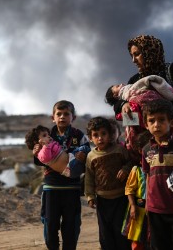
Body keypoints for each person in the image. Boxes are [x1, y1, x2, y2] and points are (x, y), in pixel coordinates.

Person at [116, 35, 173, 142]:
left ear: (150, 52)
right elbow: (122, 110)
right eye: (131, 55)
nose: (133, 60)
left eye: (137, 54)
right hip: (146, 145)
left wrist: (157, 111)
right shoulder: (134, 80)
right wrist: (124, 105)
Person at [32, 100, 90, 250]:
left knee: (71, 226)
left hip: (72, 188)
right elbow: (39, 160)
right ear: (53, 117)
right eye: (59, 114)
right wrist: (36, 152)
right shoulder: (47, 134)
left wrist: (83, 156)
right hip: (51, 188)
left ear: (73, 117)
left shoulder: (79, 135)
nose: (62, 117)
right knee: (50, 224)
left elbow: (89, 154)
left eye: (66, 114)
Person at [141, 99, 173, 250]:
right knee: (158, 245)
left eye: (161, 120)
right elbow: (147, 177)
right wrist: (147, 202)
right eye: (152, 121)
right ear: (146, 125)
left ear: (171, 122)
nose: (156, 124)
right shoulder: (146, 150)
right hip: (155, 209)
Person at [84, 116, 132, 250]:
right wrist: (90, 196)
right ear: (90, 138)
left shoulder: (119, 150)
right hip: (102, 201)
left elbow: (130, 163)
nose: (100, 138)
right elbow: (89, 177)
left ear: (110, 134)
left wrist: (125, 169)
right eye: (95, 135)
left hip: (121, 199)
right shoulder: (91, 156)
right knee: (105, 234)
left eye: (103, 134)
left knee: (121, 231)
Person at [25, 125, 90, 178]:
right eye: (44, 135)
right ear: (36, 142)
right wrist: (45, 146)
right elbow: (46, 157)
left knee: (83, 148)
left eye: (48, 134)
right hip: (70, 168)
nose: (48, 136)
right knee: (85, 152)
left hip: (71, 159)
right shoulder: (41, 154)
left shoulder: (76, 133)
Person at [122, 160, 148, 250]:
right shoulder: (137, 170)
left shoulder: (157, 169)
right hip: (138, 210)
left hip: (153, 210)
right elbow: (129, 189)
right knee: (137, 240)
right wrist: (133, 206)